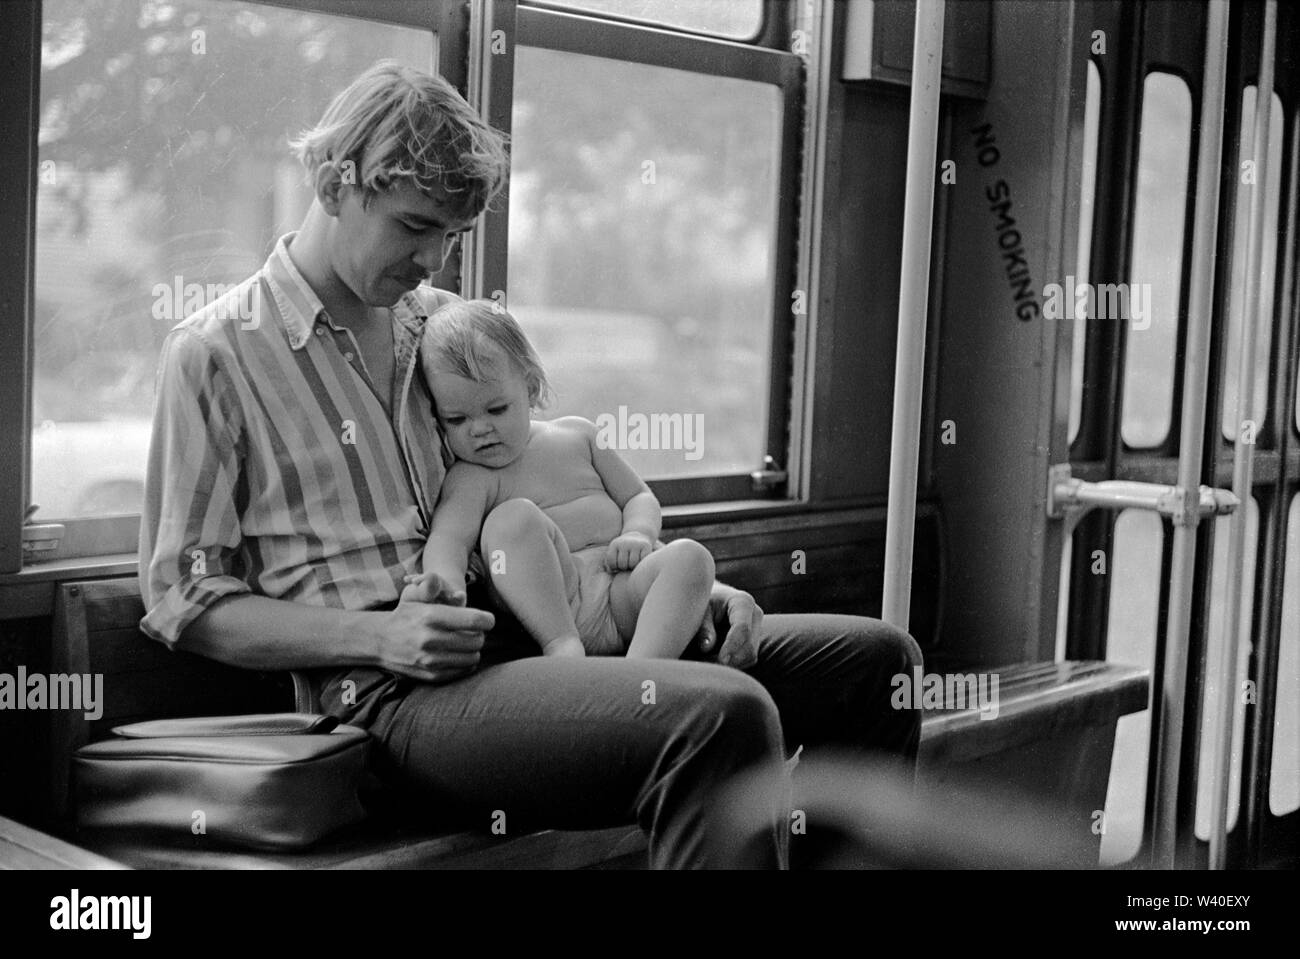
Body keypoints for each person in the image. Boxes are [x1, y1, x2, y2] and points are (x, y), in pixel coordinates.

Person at [139, 60, 923, 869]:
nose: (434, 260)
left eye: (452, 237)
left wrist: (685, 582)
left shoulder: (442, 326)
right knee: (717, 715)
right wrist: (384, 636)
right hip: (388, 701)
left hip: (550, 633)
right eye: (415, 227)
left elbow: (554, 483)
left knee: (873, 664)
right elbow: (185, 598)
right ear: (337, 186)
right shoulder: (216, 354)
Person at [413, 299, 715, 660]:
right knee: (512, 518)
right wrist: (444, 586)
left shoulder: (579, 435)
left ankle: (643, 668)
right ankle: (562, 646)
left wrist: (638, 533)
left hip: (624, 589)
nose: (479, 429)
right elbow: (448, 541)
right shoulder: (471, 478)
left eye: (496, 409)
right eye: (456, 420)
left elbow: (638, 496)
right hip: (559, 607)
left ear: (530, 387)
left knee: (692, 557)